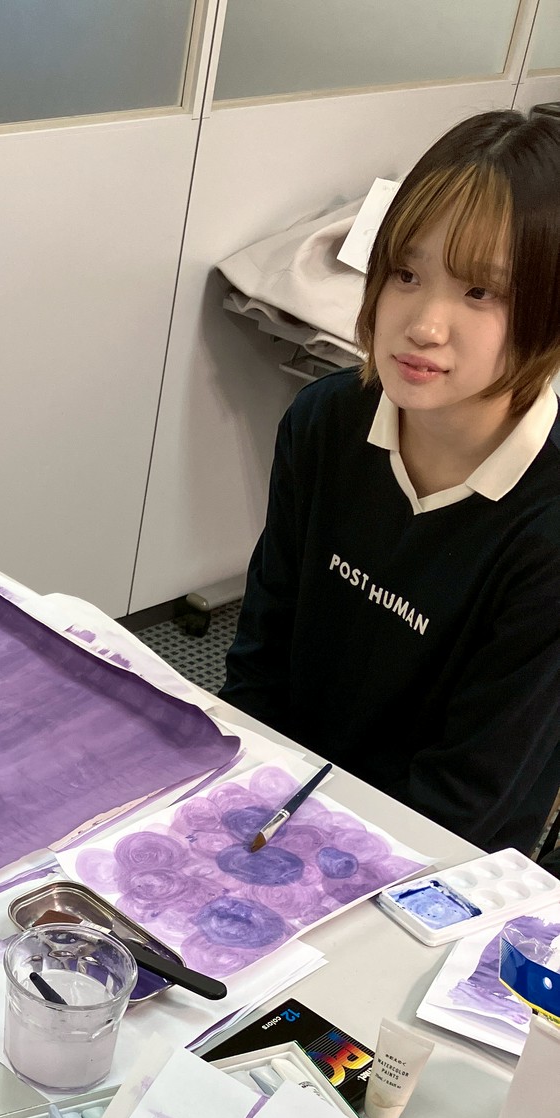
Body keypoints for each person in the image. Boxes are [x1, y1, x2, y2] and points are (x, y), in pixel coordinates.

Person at [221, 107, 560, 853]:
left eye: (481, 293)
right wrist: (226, 794)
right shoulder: (326, 421)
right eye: (406, 274)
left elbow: (468, 800)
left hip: (432, 860)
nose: (424, 325)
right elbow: (260, 659)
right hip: (275, 805)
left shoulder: (546, 527)